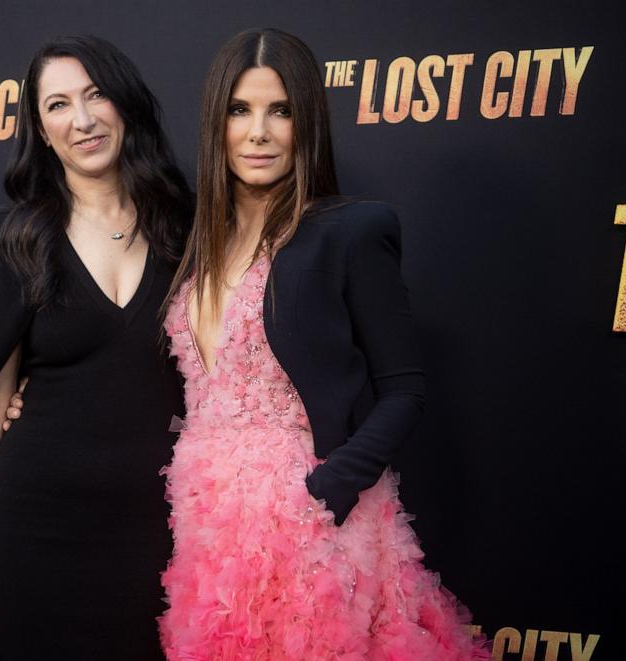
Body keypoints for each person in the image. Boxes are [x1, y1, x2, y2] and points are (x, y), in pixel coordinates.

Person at [153, 28, 491, 659]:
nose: (259, 132)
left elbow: (404, 389)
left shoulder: (351, 232)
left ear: (306, 122)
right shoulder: (190, 245)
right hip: (209, 523)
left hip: (312, 523)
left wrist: (330, 490)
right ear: (215, 123)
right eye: (240, 110)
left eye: (280, 111)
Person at [0, 34, 192, 660]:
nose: (82, 120)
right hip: (37, 531)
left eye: (96, 95)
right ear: (42, 131)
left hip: (164, 537)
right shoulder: (18, 239)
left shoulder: (188, 229)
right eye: (58, 105)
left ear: (124, 104)